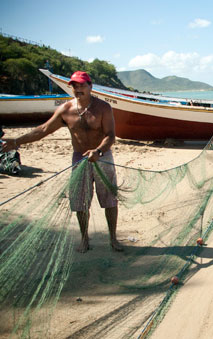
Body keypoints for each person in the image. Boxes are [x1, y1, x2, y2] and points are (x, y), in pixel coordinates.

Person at [2, 71, 123, 253]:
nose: (78, 89)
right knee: (80, 201)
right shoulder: (66, 110)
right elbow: (43, 129)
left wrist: (98, 151)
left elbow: (111, 136)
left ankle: (113, 238)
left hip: (102, 157)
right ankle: (84, 239)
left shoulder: (103, 108)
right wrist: (16, 141)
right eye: (74, 85)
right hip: (79, 158)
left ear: (90, 86)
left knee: (109, 199)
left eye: (82, 85)